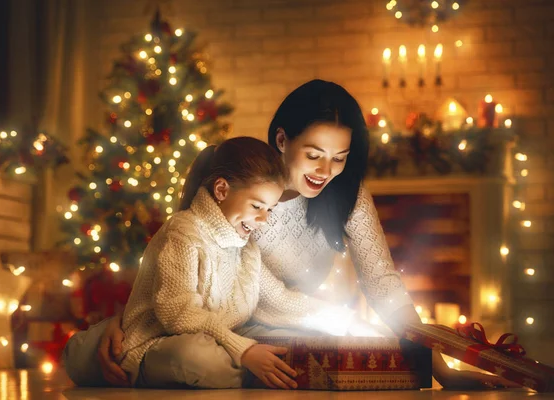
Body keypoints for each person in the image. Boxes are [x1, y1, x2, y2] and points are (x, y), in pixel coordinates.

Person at [93, 80, 516, 390]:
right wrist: (123, 322)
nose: (325, 171)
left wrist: (441, 370)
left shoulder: (347, 194)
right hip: (238, 331)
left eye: (339, 159)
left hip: (303, 320)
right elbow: (179, 259)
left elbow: (383, 283)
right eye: (314, 155)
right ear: (281, 139)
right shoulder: (246, 192)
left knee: (375, 348)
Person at [63, 136, 355, 389]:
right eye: (256, 206)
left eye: (269, 208)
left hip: (215, 339)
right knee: (197, 358)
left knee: (287, 337)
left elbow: (279, 298)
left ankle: (263, 368)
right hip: (158, 343)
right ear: (222, 191)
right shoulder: (184, 231)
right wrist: (244, 351)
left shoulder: (246, 248)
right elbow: (178, 314)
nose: (264, 219)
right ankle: (261, 370)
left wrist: (343, 319)